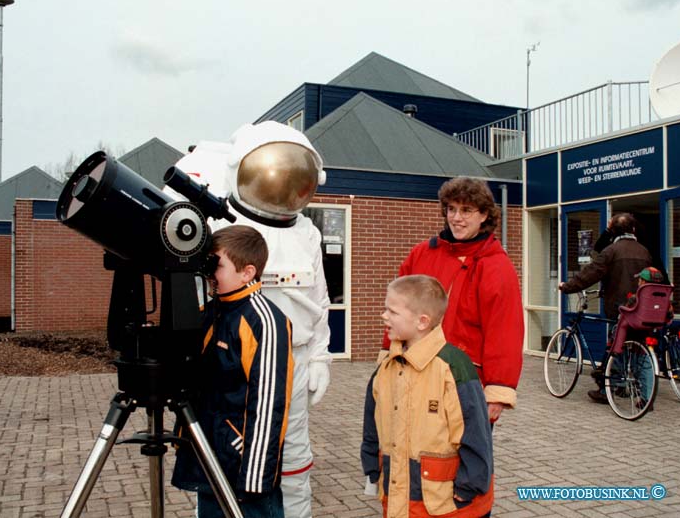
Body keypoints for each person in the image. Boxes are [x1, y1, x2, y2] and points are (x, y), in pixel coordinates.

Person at [169, 122, 331, 518]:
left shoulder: (307, 232)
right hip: (233, 361)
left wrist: (321, 356)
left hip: (289, 361)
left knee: (291, 458)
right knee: (221, 451)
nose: (280, 184)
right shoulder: (221, 223)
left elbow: (319, 300)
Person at [379, 177, 524, 423]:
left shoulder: (497, 267)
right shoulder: (422, 254)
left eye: (466, 210)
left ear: (484, 215)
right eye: (451, 209)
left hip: (466, 381)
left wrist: (497, 392)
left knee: (465, 459)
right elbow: (397, 311)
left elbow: (505, 332)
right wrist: (387, 355)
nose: (457, 218)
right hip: (414, 373)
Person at [171, 225, 293, 518]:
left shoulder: (263, 321)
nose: (210, 273)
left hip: (242, 466)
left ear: (247, 272)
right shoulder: (215, 310)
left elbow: (269, 404)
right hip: (210, 456)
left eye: (217, 265)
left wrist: (254, 475)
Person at [362, 275, 494, 518]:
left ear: (422, 322)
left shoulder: (453, 368)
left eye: (392, 311)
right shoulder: (385, 369)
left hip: (445, 504)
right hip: (399, 498)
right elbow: (372, 425)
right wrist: (372, 466)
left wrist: (469, 484)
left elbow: (475, 432)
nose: (384, 316)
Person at [559, 213, 652, 403]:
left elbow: (590, 274)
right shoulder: (644, 251)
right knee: (638, 350)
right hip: (641, 308)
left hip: (621, 308)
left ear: (613, 231)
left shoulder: (612, 251)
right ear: (633, 230)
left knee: (615, 347)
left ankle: (609, 387)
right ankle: (640, 393)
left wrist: (567, 287)